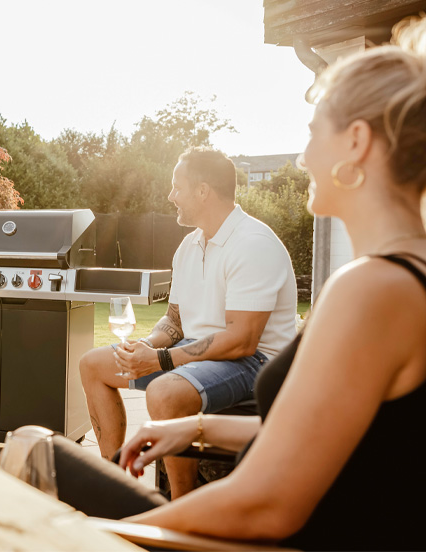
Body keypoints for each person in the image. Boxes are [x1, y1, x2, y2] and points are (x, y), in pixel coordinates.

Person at [51, 13, 426, 551]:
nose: (303, 158)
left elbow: (267, 505)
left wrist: (91, 536)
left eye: (311, 135)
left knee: (37, 460)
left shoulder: (373, 289)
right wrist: (197, 428)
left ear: (354, 142)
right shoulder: (421, 278)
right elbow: (339, 442)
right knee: (38, 450)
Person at [80, 146, 298, 498]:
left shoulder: (253, 243)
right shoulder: (189, 245)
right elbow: (174, 320)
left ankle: (177, 508)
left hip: (254, 362)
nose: (171, 196)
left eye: (177, 187)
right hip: (197, 353)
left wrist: (162, 360)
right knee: (94, 364)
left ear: (202, 191)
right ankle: (114, 485)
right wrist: (149, 345)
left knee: (165, 392)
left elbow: (243, 340)